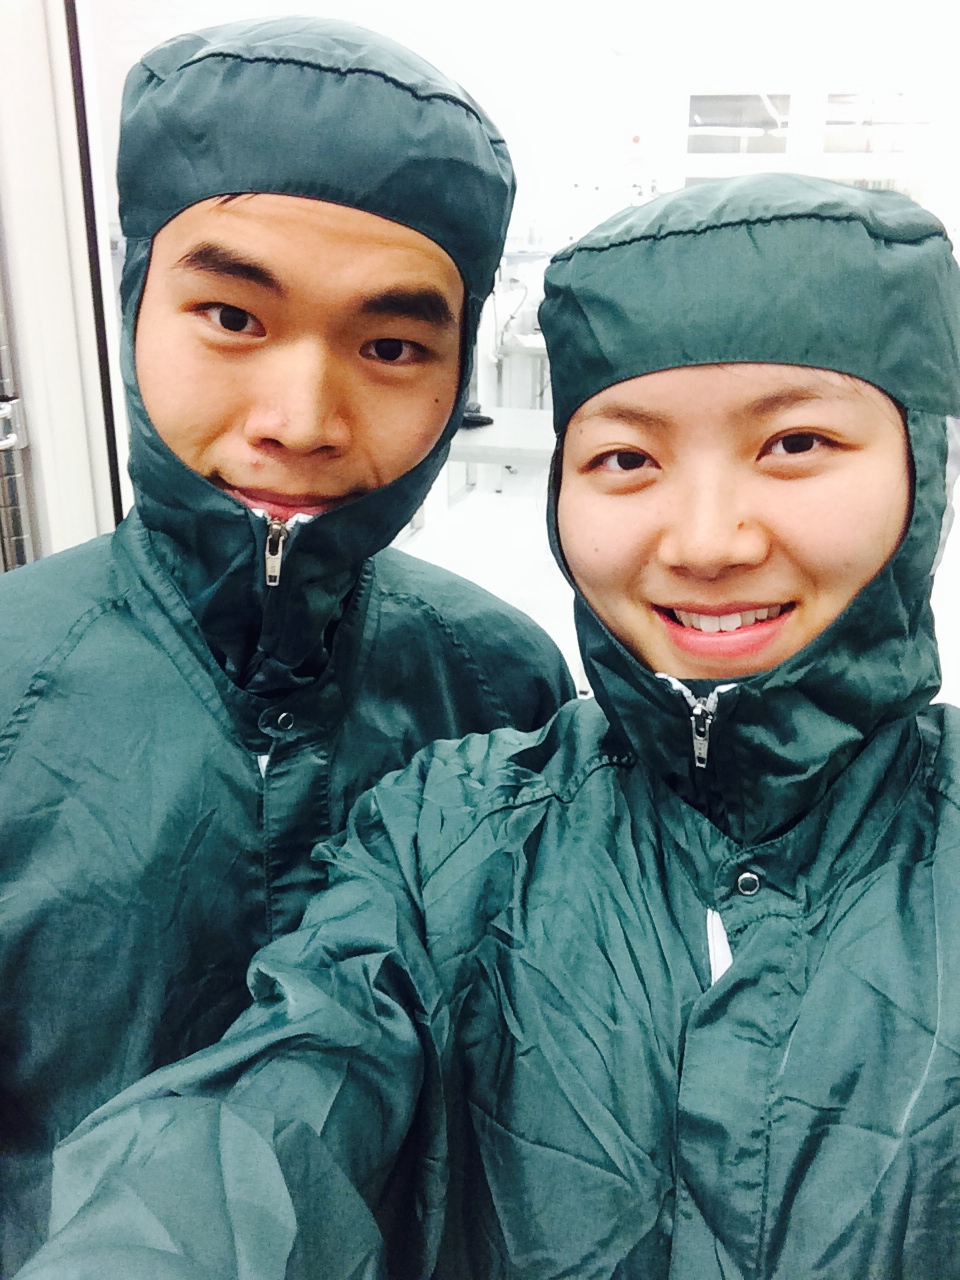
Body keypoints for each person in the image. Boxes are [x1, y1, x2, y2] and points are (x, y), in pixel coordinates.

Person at [19, 173, 960, 1279]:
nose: (707, 541)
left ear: (922, 465)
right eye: (627, 459)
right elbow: (279, 1104)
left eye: (795, 444)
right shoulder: (450, 836)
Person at [0, 17, 576, 1274]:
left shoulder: (507, 680)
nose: (302, 417)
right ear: (132, 303)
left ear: (458, 370)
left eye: (390, 345)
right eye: (231, 314)